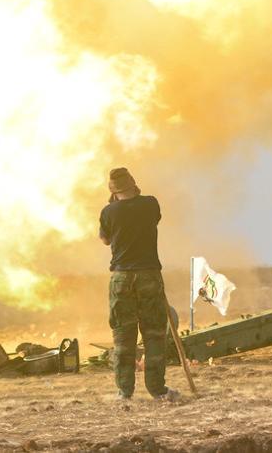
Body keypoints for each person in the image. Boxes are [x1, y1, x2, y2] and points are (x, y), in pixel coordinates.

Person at [100, 167, 177, 401]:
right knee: (154, 334)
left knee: (123, 335)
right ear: (134, 183)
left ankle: (124, 391)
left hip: (122, 277)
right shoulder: (150, 204)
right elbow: (153, 217)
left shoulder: (108, 211)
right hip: (149, 275)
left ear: (112, 190)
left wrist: (113, 205)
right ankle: (158, 390)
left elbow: (105, 239)